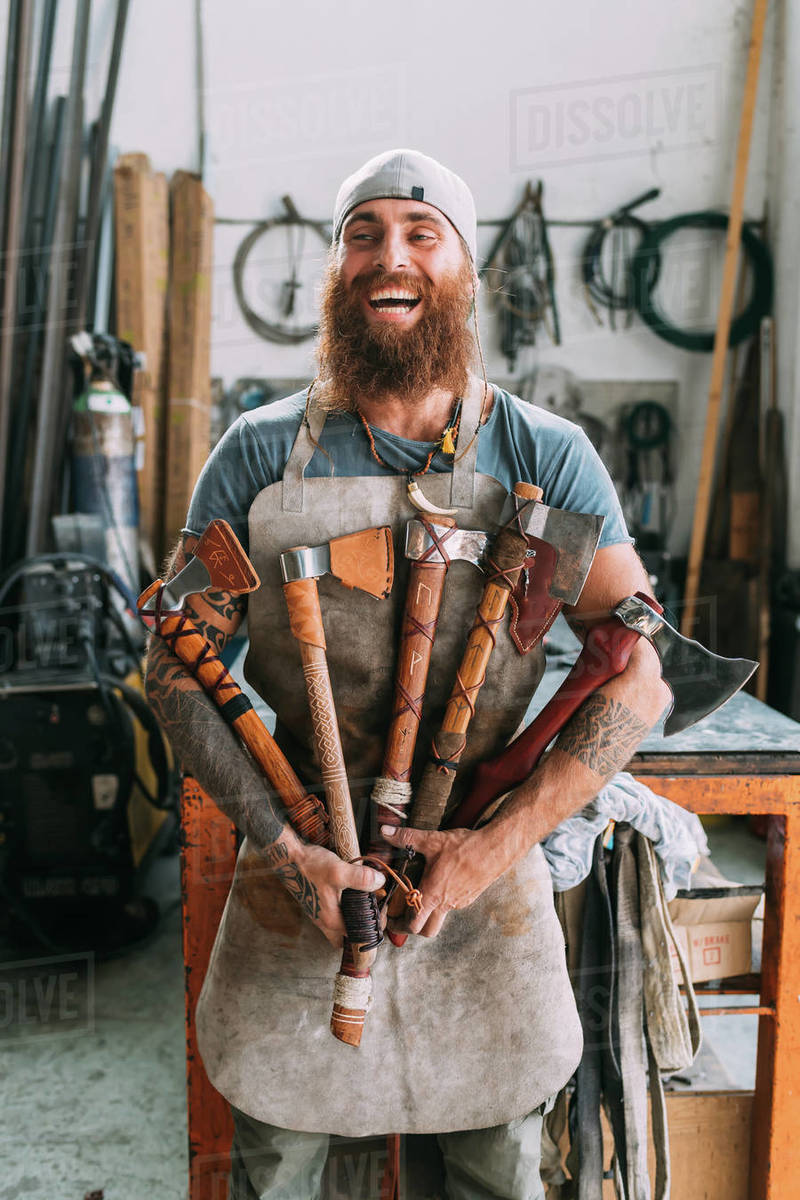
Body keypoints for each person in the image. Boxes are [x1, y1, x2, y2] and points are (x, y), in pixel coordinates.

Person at [146, 149, 669, 1200]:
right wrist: (290, 851)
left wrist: (491, 850)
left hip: (477, 878)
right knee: (276, 1168)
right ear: (336, 270)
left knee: (495, 1168)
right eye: (363, 234)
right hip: (302, 868)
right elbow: (177, 668)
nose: (390, 256)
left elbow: (639, 675)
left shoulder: (545, 456)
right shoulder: (257, 456)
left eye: (422, 234)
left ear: (465, 269)